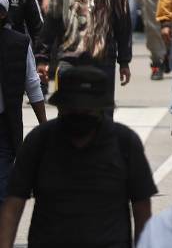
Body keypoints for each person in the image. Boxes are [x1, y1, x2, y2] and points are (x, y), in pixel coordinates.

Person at [0, 65, 156, 248]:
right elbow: (13, 204)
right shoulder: (39, 142)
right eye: (73, 109)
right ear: (61, 107)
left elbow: (142, 206)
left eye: (87, 110)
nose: (80, 114)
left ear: (101, 109)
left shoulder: (125, 143)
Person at [0, 0, 47, 200]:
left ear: (2, 15)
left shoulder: (18, 44)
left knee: (3, 187)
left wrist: (44, 125)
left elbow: (32, 84)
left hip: (4, 126)